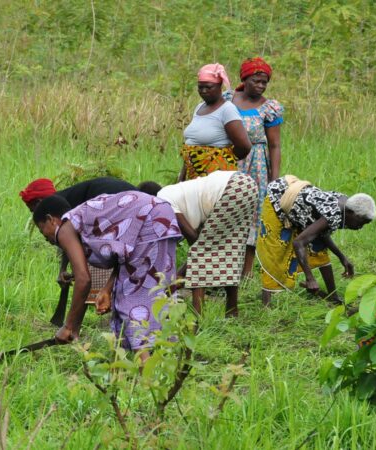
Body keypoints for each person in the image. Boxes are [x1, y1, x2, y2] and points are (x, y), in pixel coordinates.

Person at [33, 192, 181, 356]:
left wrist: (68, 326)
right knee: (156, 294)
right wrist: (107, 289)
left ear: (51, 219)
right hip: (162, 217)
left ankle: (146, 373)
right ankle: (156, 361)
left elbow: (83, 278)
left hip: (147, 221)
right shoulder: (82, 220)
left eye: (42, 230)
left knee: (131, 301)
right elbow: (123, 256)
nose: (45, 237)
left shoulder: (65, 227)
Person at [20, 176, 137, 318]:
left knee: (99, 261)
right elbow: (67, 240)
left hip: (124, 204)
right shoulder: (64, 204)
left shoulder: (58, 208)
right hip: (134, 202)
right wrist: (64, 268)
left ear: (40, 203)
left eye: (33, 210)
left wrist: (76, 269)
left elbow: (68, 239)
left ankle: (94, 311)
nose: (34, 215)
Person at [257, 175, 376, 305]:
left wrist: (342, 258)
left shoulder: (346, 205)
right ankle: (266, 304)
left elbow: (323, 234)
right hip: (278, 197)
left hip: (299, 207)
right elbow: (299, 242)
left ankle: (333, 297)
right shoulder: (335, 213)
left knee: (319, 249)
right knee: (275, 252)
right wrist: (310, 278)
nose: (360, 228)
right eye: (361, 222)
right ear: (350, 212)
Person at [157, 171, 258, 317]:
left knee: (200, 256)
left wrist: (178, 277)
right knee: (231, 249)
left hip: (231, 188)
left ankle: (198, 320)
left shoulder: (162, 200)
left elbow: (194, 240)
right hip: (247, 185)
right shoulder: (177, 195)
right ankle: (232, 311)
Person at [223, 57, 284, 278]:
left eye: (264, 82)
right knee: (228, 210)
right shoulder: (228, 100)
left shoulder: (269, 108)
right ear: (245, 79)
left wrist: (274, 179)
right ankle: (226, 265)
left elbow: (275, 145)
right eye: (256, 81)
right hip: (229, 161)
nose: (260, 86)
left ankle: (246, 272)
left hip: (256, 164)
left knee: (252, 214)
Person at [179, 63, 252, 182]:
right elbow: (191, 144)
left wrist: (221, 159)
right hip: (193, 176)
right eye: (200, 87)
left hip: (215, 179)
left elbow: (244, 146)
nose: (203, 91)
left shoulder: (227, 109)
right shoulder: (199, 107)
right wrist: (182, 178)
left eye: (208, 87)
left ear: (219, 86)